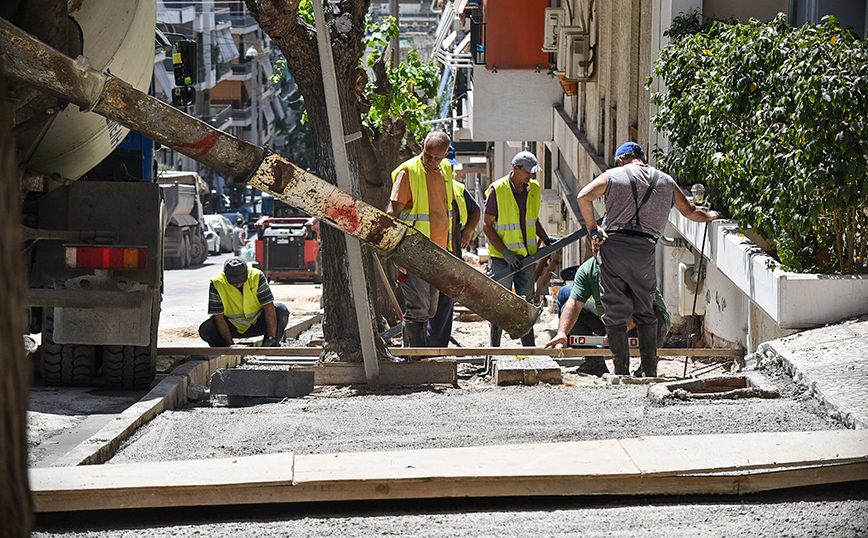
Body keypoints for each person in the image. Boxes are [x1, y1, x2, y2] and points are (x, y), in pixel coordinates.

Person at [577, 141, 720, 377]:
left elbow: (584, 196)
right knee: (645, 308)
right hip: (645, 249)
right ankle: (650, 371)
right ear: (643, 159)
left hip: (614, 248)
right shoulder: (665, 181)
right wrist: (711, 215)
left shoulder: (613, 175)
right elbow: (691, 212)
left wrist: (593, 230)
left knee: (614, 309)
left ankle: (621, 371)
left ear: (621, 159)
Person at [543, 255, 671, 376]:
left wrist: (619, 330)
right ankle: (594, 363)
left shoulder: (634, 266)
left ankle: (646, 367)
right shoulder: (589, 269)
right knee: (571, 308)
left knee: (654, 316)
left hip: (642, 320)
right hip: (611, 320)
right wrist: (562, 332)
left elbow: (643, 307)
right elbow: (575, 304)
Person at [386, 130, 456, 349]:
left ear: (446, 154)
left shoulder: (445, 170)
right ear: (422, 145)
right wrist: (395, 252)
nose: (433, 161)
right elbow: (392, 215)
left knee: (431, 309)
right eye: (429, 155)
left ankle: (418, 355)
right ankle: (412, 358)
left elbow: (445, 210)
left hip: (438, 252)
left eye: (438, 157)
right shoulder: (408, 172)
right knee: (418, 309)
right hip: (413, 253)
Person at [483, 150, 553, 347]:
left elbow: (533, 219)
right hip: (502, 260)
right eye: (527, 172)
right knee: (500, 303)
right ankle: (494, 348)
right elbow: (487, 225)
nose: (530, 176)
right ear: (515, 169)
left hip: (527, 259)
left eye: (532, 172)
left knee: (527, 303)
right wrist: (505, 252)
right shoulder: (498, 190)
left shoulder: (534, 188)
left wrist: (545, 238)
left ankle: (528, 347)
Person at [427, 165, 481, 347]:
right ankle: (420, 349)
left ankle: (437, 348)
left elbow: (475, 210)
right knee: (422, 306)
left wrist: (468, 231)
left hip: (451, 257)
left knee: (444, 305)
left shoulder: (458, 190)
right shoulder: (422, 187)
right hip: (426, 256)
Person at [198, 256, 289, 347]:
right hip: (232, 327)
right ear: (226, 275)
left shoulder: (256, 276)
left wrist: (271, 338)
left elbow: (269, 307)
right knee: (206, 329)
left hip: (257, 324)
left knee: (281, 310)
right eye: (233, 282)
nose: (237, 285)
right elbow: (218, 317)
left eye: (240, 281)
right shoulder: (217, 282)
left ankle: (271, 345)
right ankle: (224, 349)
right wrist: (230, 344)